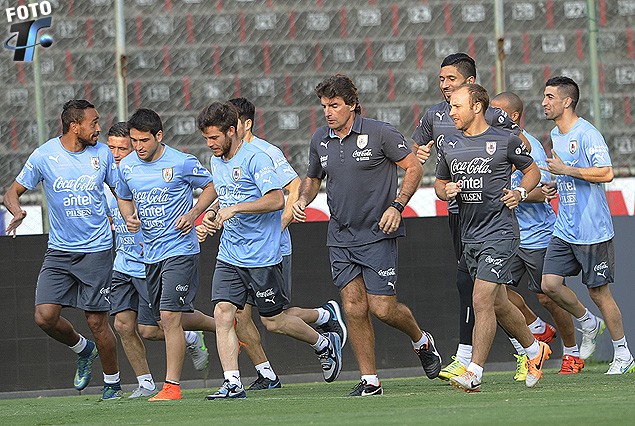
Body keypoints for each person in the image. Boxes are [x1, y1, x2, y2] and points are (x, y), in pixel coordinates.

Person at [293, 74, 441, 397]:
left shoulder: (380, 133)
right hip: (340, 237)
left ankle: (421, 340)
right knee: (353, 306)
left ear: (352, 105)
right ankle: (370, 381)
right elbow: (312, 177)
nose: (328, 112)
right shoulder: (320, 139)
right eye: (324, 106)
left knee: (383, 308)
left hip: (377, 234)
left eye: (334, 105)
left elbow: (414, 168)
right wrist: (303, 199)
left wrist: (397, 206)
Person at [411, 53, 550, 381]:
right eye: (441, 80)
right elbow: (429, 168)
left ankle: (471, 367)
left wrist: (519, 191)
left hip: (499, 227)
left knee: (481, 294)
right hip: (464, 221)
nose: (444, 87)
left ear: (472, 89)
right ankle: (533, 349)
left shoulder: (498, 126)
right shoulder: (439, 121)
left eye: (451, 81)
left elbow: (526, 158)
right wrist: (439, 182)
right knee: (497, 299)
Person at [198, 97, 347, 391]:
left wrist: (236, 210)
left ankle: (322, 341)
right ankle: (232, 382)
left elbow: (278, 198)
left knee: (274, 321)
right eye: (205, 138)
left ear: (232, 130)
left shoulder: (259, 156)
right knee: (224, 313)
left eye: (214, 137)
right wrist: (212, 215)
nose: (209, 144)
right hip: (230, 253)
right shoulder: (217, 160)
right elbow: (226, 197)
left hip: (263, 253)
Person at [3, 100, 122, 400]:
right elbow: (11, 192)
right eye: (93, 123)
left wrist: (128, 216)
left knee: (97, 321)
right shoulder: (44, 156)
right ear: (75, 126)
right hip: (59, 251)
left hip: (96, 250)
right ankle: (83, 349)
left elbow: (122, 191)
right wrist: (16, 211)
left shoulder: (103, 154)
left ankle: (112, 384)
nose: (98, 128)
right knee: (44, 316)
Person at [116, 108, 218, 401]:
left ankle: (171, 387)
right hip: (150, 255)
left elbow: (211, 186)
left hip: (181, 250)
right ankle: (223, 327)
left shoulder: (181, 162)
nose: (138, 147)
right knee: (153, 327)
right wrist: (128, 217)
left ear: (159, 136)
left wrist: (195, 213)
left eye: (144, 140)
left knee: (169, 316)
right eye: (134, 141)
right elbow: (123, 195)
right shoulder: (128, 166)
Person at [540, 76, 634, 374]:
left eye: (550, 96)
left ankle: (623, 353)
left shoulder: (588, 134)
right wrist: (556, 183)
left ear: (567, 101)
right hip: (564, 226)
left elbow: (606, 173)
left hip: (592, 229)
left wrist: (567, 169)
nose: (544, 102)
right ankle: (588, 322)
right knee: (549, 285)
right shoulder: (555, 134)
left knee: (598, 293)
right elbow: (569, 175)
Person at [490, 92, 582, 377]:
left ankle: (572, 352)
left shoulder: (527, 146)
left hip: (538, 235)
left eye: (496, 112)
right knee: (494, 294)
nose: (490, 116)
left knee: (547, 297)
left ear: (513, 116)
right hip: (508, 235)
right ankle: (537, 328)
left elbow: (544, 191)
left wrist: (512, 194)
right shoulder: (494, 143)